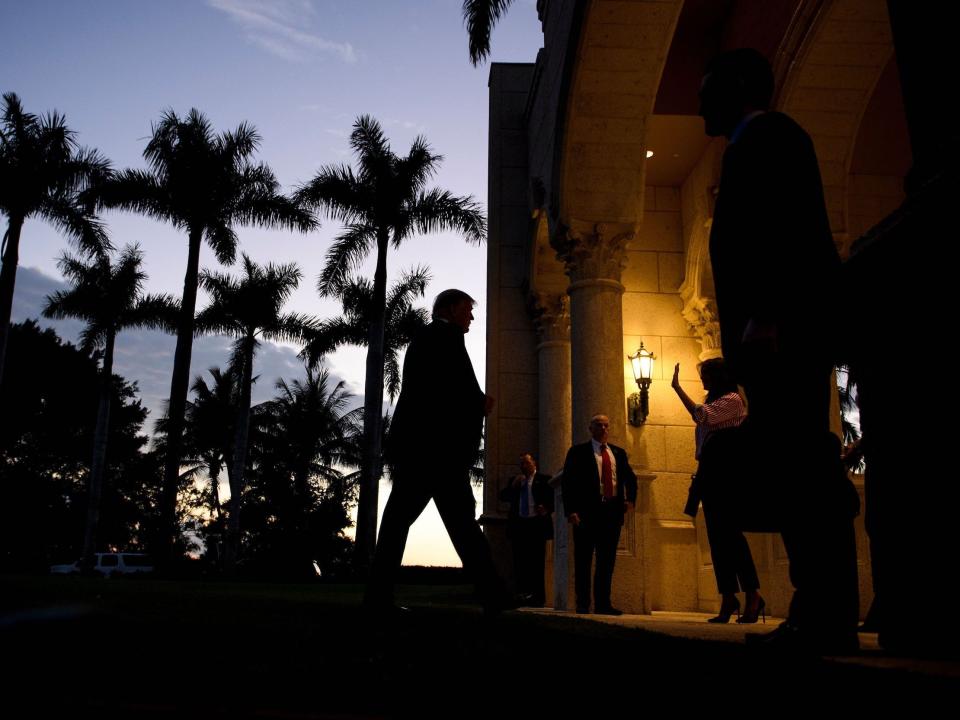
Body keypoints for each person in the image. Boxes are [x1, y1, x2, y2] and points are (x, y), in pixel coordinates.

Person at [699, 47, 860, 653]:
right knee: (799, 465)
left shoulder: (770, 138)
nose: (697, 100)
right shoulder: (753, 143)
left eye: (708, 85)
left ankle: (826, 614)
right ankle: (818, 609)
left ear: (738, 85)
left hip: (783, 332)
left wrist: (766, 314)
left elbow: (782, 232)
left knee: (804, 466)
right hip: (774, 334)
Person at [365, 289, 509, 615]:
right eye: (467, 309)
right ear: (449, 308)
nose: (471, 316)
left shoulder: (429, 338)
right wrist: (478, 403)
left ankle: (494, 596)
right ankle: (495, 597)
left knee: (418, 524)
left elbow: (435, 389)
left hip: (423, 452)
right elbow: (444, 391)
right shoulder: (444, 338)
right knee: (456, 526)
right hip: (434, 454)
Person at [672, 360, 763, 624]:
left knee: (732, 538)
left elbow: (704, 416)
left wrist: (678, 389)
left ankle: (752, 594)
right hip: (710, 473)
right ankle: (728, 596)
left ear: (720, 377)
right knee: (718, 542)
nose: (703, 380)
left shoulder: (733, 399)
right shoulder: (715, 402)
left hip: (728, 474)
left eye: (708, 375)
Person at [561, 414, 637, 615]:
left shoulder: (618, 453)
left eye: (606, 425)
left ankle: (603, 604)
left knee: (606, 561)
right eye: (599, 425)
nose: (604, 429)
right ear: (590, 428)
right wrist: (570, 511)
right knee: (583, 560)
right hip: (586, 514)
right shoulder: (577, 453)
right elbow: (568, 483)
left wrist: (630, 500)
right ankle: (583, 603)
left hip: (611, 514)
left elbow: (630, 478)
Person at [498, 453, 554, 607]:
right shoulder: (516, 481)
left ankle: (538, 598)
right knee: (520, 562)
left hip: (537, 526)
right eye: (521, 464)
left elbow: (555, 498)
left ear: (534, 463)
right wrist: (513, 486)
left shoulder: (544, 479)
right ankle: (522, 595)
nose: (523, 466)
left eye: (526, 463)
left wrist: (547, 508)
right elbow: (502, 497)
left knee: (537, 563)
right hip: (520, 526)